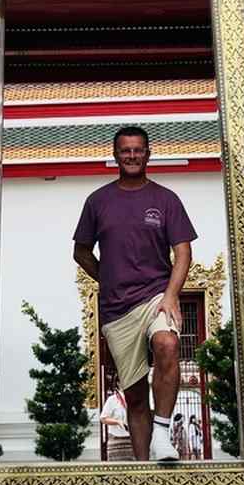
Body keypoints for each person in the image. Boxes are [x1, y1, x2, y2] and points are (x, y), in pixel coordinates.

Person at [72, 125, 195, 463]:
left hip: (157, 295)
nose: (131, 156)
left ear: (148, 154)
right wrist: (107, 278)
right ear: (115, 155)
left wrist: (171, 296)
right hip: (117, 309)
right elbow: (81, 251)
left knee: (167, 344)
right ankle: (143, 473)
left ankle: (162, 434)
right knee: (136, 396)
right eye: (125, 150)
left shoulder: (165, 199)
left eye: (138, 150)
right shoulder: (98, 201)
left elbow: (183, 253)